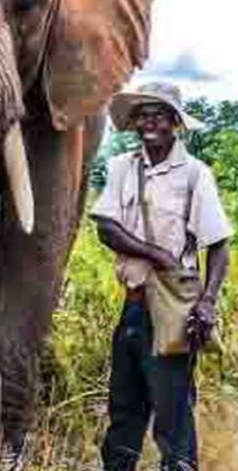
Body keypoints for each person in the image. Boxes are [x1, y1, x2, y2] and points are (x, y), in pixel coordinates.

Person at [92, 82, 232, 471]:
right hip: (133, 307)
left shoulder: (194, 174)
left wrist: (207, 302)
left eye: (158, 114)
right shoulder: (123, 167)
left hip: (173, 312)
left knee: (173, 422)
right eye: (142, 115)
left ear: (175, 123)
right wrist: (156, 254)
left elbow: (219, 244)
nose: (148, 121)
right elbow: (106, 226)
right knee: (123, 414)